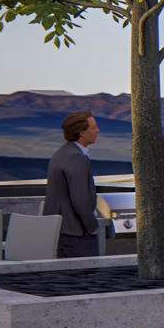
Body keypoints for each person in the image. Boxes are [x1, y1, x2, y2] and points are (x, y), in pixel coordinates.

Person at [42, 110, 101, 258]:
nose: (97, 130)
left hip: (62, 231)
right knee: (86, 271)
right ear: (82, 133)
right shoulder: (75, 157)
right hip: (76, 234)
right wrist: (92, 226)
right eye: (94, 127)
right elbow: (80, 200)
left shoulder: (62, 153)